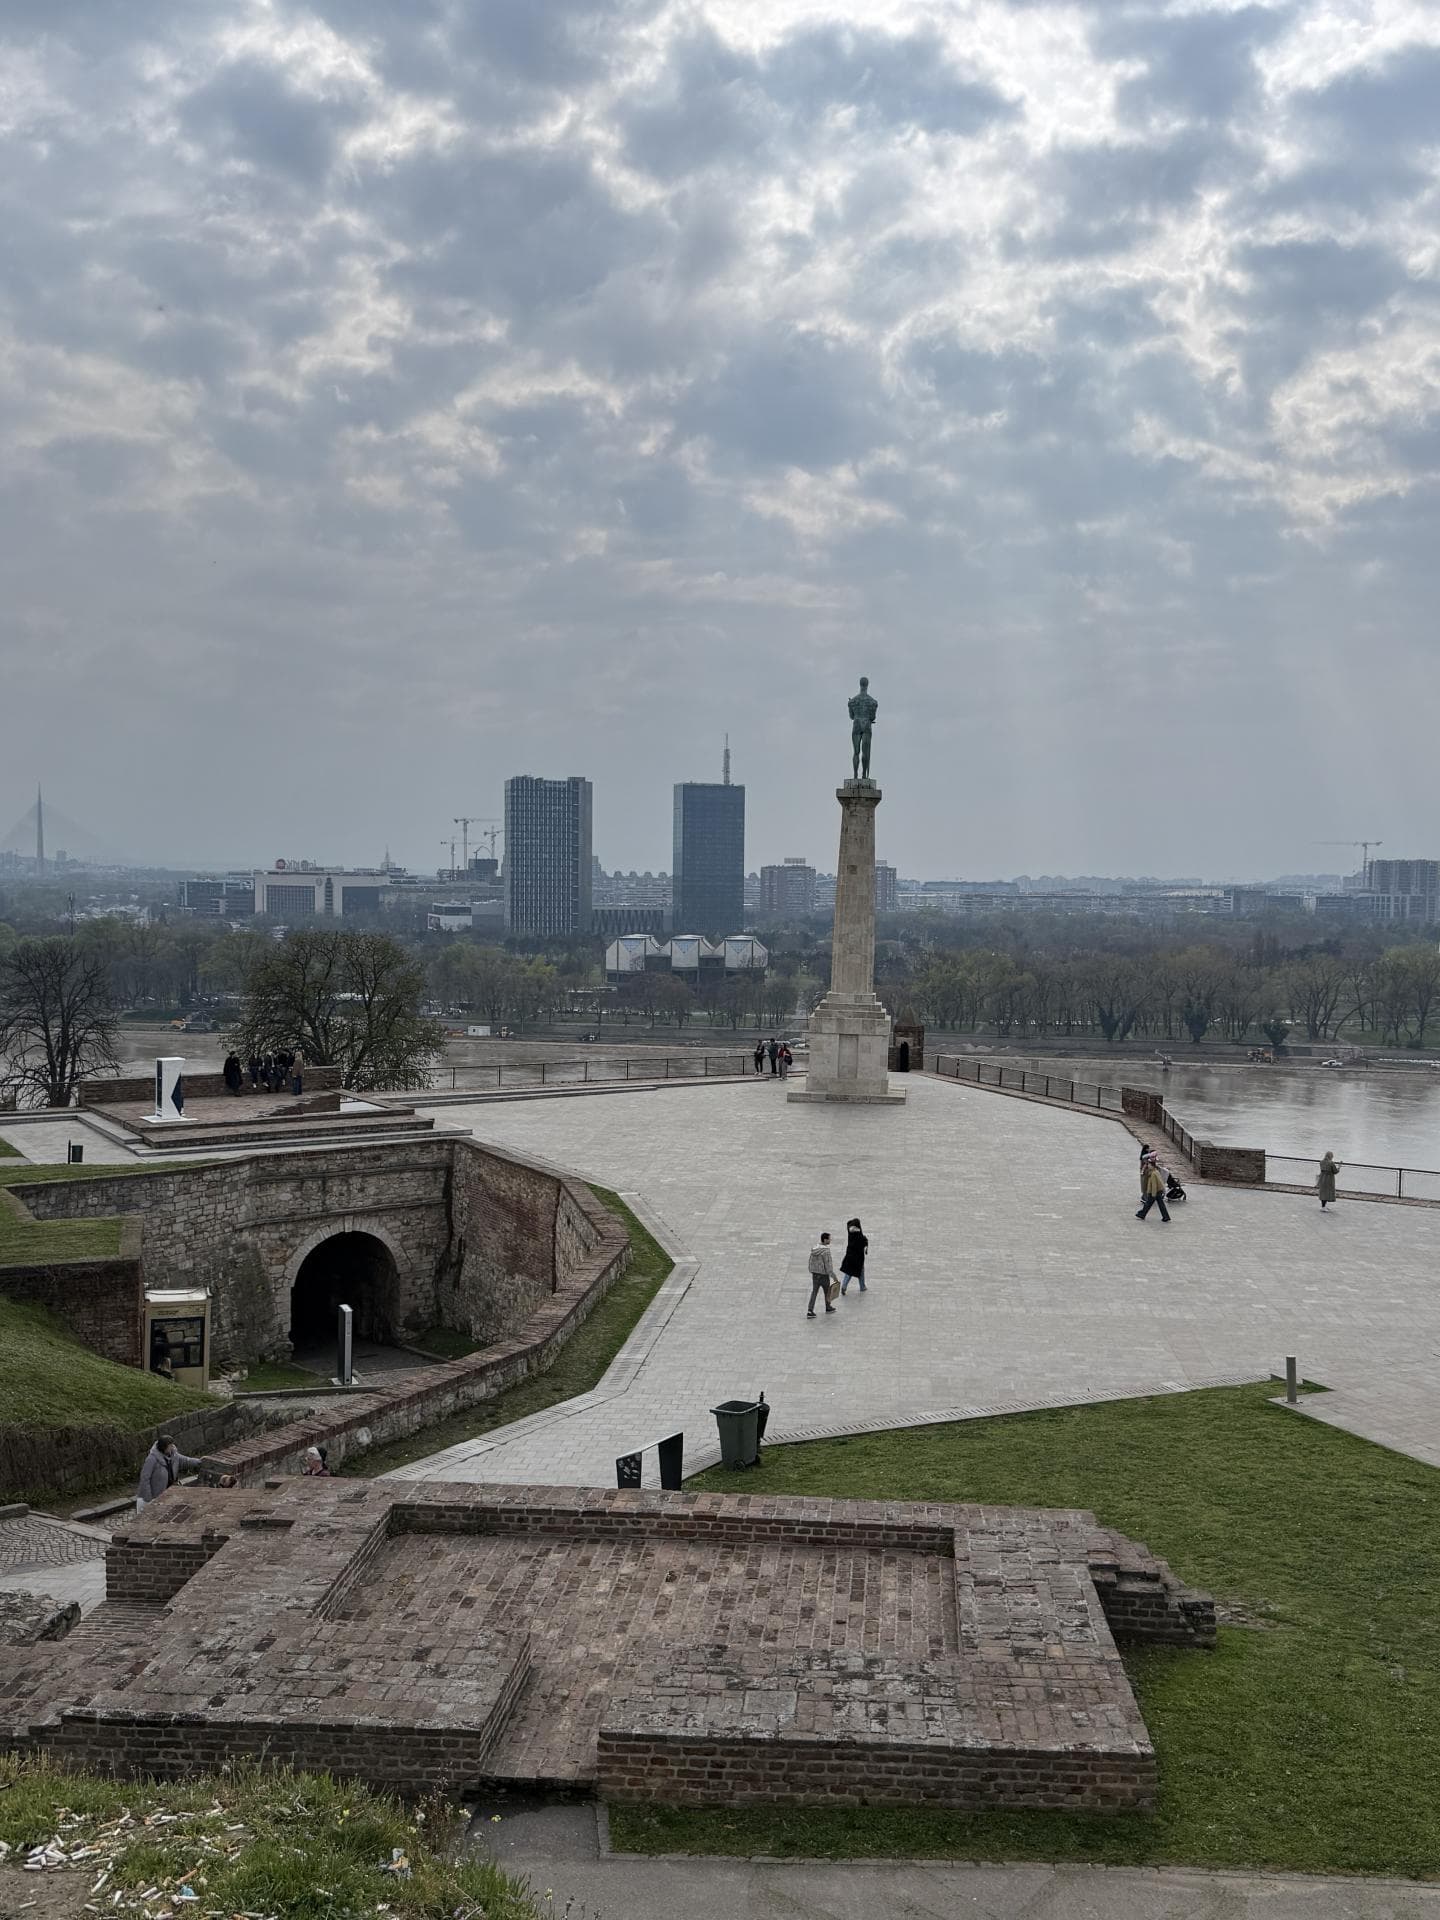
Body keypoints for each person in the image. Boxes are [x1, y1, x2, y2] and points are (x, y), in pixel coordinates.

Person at [136, 1434, 204, 1512]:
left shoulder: (173, 1455)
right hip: (153, 1496)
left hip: (167, 1494)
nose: (172, 1447)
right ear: (164, 1447)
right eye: (170, 1445)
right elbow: (145, 1478)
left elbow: (185, 1460)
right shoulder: (151, 1459)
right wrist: (149, 1499)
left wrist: (199, 1462)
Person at [807, 1232, 838, 1317]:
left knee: (814, 1292)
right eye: (829, 1239)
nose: (830, 1240)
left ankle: (810, 1310)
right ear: (825, 1240)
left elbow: (811, 1261)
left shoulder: (814, 1248)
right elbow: (828, 1264)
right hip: (824, 1275)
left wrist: (812, 1271)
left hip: (815, 1274)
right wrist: (833, 1276)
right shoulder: (826, 1251)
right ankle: (828, 1307)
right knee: (827, 1291)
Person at [1136, 1156, 1171, 1224]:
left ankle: (1142, 1214)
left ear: (1152, 1165)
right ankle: (1165, 1217)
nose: (1148, 1166)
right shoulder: (1155, 1171)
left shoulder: (1153, 1174)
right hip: (1157, 1191)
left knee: (1149, 1204)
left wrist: (1153, 1194)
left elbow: (1154, 1185)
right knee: (1158, 1205)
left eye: (1149, 1164)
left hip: (1154, 1192)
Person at [840, 1217, 868, 1294]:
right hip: (857, 1258)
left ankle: (844, 1286)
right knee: (861, 1271)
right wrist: (865, 1241)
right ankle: (862, 1287)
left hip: (849, 1256)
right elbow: (862, 1243)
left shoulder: (850, 1232)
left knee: (849, 1272)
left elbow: (848, 1223)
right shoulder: (859, 1236)